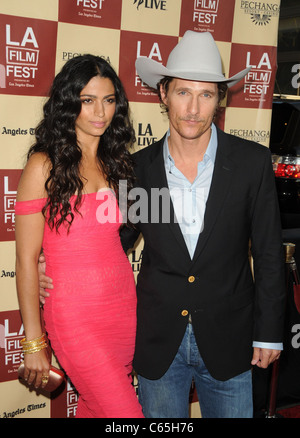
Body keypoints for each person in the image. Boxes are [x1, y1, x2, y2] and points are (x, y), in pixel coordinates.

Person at [39, 32, 286, 418]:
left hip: (230, 339)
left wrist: (269, 332)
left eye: (206, 94)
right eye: (183, 92)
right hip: (157, 342)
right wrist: (57, 268)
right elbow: (114, 238)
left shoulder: (251, 162)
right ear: (163, 94)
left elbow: (270, 254)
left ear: (220, 100)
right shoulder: (136, 168)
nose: (193, 108)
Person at [15, 54, 144, 418]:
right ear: (69, 103)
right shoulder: (44, 164)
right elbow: (25, 259)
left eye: (108, 100)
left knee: (94, 408)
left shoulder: (118, 162)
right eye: (87, 101)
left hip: (122, 309)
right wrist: (34, 341)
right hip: (74, 316)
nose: (100, 112)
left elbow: (132, 231)